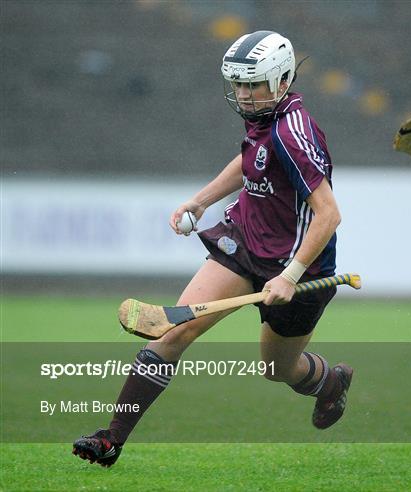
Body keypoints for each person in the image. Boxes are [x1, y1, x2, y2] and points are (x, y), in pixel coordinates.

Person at [73, 30, 353, 467]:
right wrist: (201, 201)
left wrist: (290, 274)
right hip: (244, 243)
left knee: (278, 369)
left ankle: (330, 383)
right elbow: (249, 160)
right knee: (174, 330)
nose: (242, 94)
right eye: (238, 84)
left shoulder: (294, 132)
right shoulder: (264, 114)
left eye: (252, 84)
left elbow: (329, 215)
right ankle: (111, 439)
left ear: (280, 81)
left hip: (301, 267)